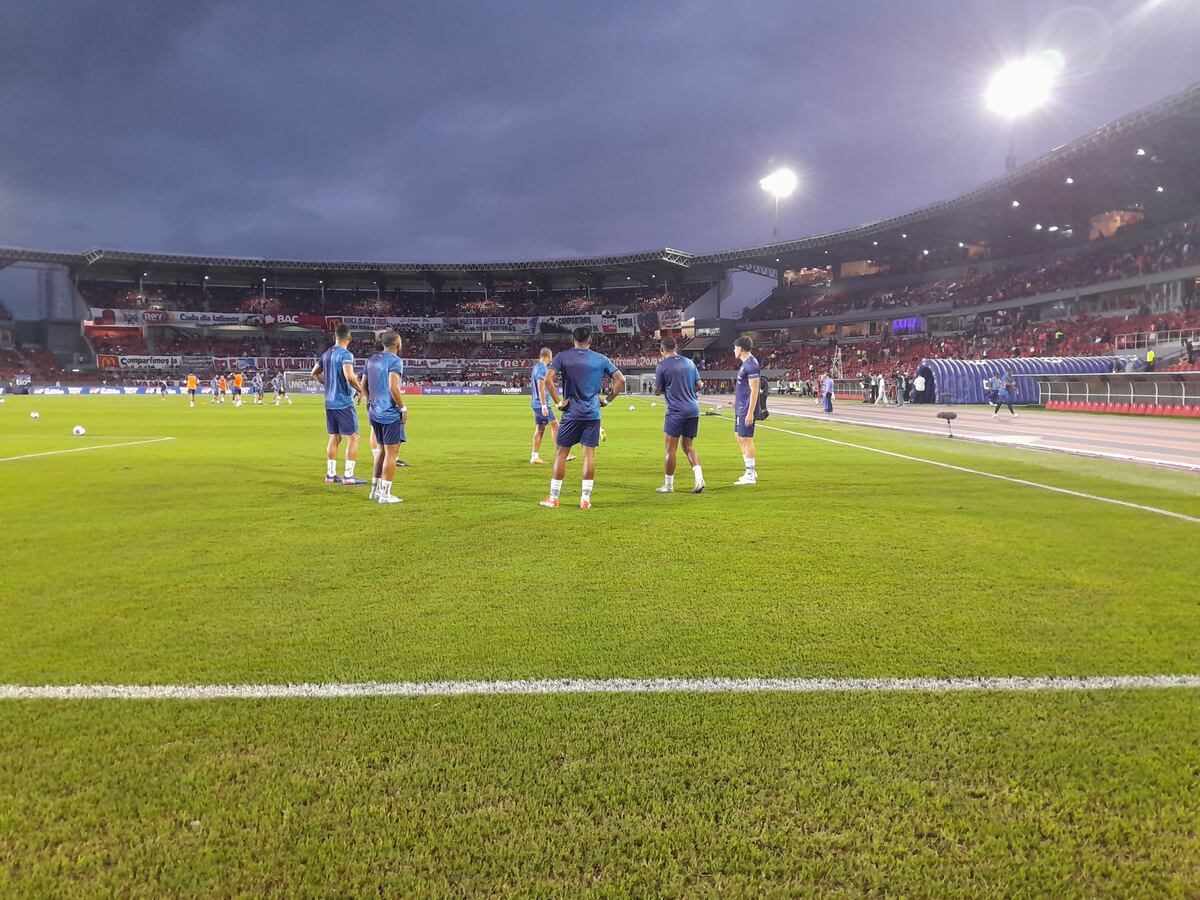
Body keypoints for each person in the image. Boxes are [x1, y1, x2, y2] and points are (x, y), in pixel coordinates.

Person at [539, 326, 625, 509]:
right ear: (590, 341)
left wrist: (558, 403)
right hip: (592, 413)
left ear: (573, 340)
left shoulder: (562, 357)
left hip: (571, 413)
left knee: (561, 454)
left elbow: (547, 380)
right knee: (589, 456)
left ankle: (553, 498)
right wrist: (607, 400)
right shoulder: (601, 359)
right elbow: (621, 380)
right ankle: (585, 499)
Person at [312, 323, 366, 485]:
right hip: (343, 402)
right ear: (349, 338)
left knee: (334, 437)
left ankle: (330, 475)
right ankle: (348, 476)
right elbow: (349, 376)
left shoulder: (326, 354)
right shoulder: (346, 354)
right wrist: (361, 390)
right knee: (354, 437)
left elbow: (314, 373)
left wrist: (328, 383)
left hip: (329, 402)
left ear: (334, 337)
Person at [653, 336, 704, 493]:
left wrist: (668, 389)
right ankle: (699, 479)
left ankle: (668, 485)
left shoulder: (662, 366)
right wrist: (687, 390)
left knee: (671, 450)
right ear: (676, 347)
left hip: (676, 412)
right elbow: (699, 385)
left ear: (662, 349)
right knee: (688, 447)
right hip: (693, 410)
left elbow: (657, 391)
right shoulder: (689, 363)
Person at [362, 330, 407, 504]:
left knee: (380, 451)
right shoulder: (395, 361)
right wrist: (403, 408)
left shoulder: (371, 360)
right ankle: (386, 494)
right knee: (391, 454)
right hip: (389, 414)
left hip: (374, 412)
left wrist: (370, 401)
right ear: (397, 344)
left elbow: (363, 385)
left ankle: (374, 491)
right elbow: (393, 387)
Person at [528, 347, 574, 465]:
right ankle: (563, 454)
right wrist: (544, 405)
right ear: (549, 356)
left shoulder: (536, 367)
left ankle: (534, 457)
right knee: (555, 426)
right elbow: (540, 387)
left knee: (540, 429)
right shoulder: (542, 369)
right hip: (541, 404)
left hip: (536, 403)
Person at [732, 337, 760, 485]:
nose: (734, 350)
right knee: (739, 437)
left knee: (746, 438)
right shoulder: (746, 364)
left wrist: (750, 412)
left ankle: (750, 474)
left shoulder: (751, 365)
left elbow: (754, 390)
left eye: (735, 348)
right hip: (741, 407)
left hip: (746, 409)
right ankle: (749, 471)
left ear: (740, 348)